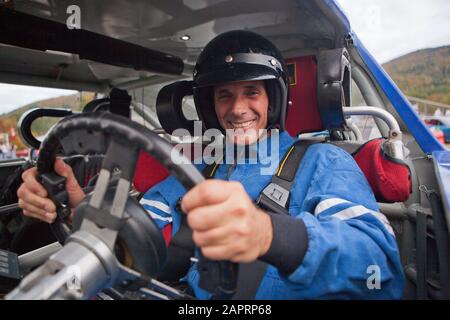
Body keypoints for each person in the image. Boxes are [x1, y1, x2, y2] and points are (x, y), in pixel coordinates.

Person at [17, 30, 404, 299]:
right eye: (224, 96)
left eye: (251, 92)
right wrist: (72, 204)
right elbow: (136, 227)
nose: (237, 109)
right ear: (209, 106)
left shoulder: (323, 161)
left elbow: (379, 268)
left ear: (273, 98)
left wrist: (271, 235)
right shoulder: (198, 166)